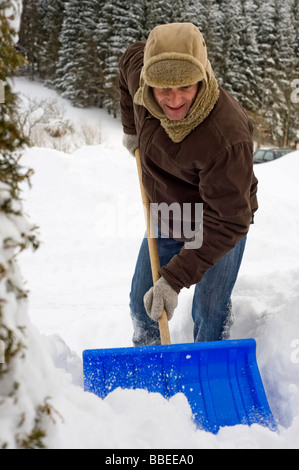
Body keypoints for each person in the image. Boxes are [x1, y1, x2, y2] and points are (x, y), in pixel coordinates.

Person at [119, 22, 258, 346]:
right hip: (168, 213)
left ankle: (211, 356)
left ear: (202, 77)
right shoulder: (142, 78)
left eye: (185, 86)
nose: (174, 99)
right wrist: (131, 129)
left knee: (209, 315)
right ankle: (151, 362)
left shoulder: (227, 137)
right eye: (163, 88)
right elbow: (128, 59)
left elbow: (228, 220)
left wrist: (174, 278)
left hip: (220, 223)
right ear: (149, 82)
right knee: (143, 308)